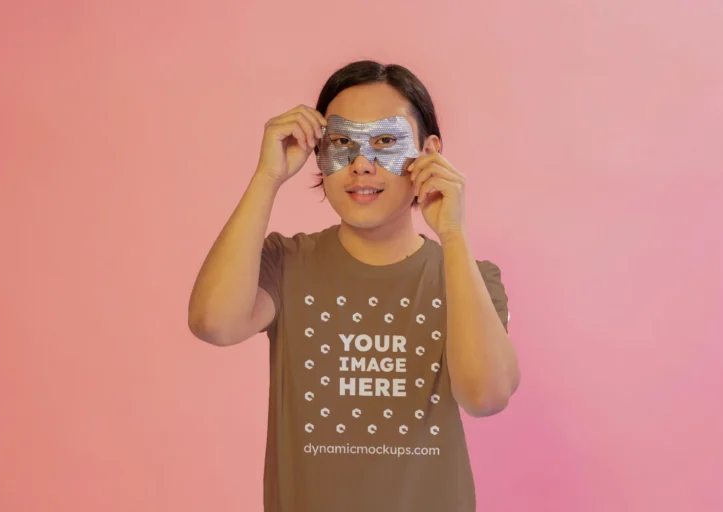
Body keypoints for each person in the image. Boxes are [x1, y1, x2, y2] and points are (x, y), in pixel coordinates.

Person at [188, 60, 520, 512]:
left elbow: (486, 396)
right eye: (342, 143)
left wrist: (453, 235)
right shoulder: (286, 263)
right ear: (318, 151)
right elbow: (213, 323)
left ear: (429, 151)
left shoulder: (471, 278)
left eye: (385, 141)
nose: (362, 165)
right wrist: (267, 177)